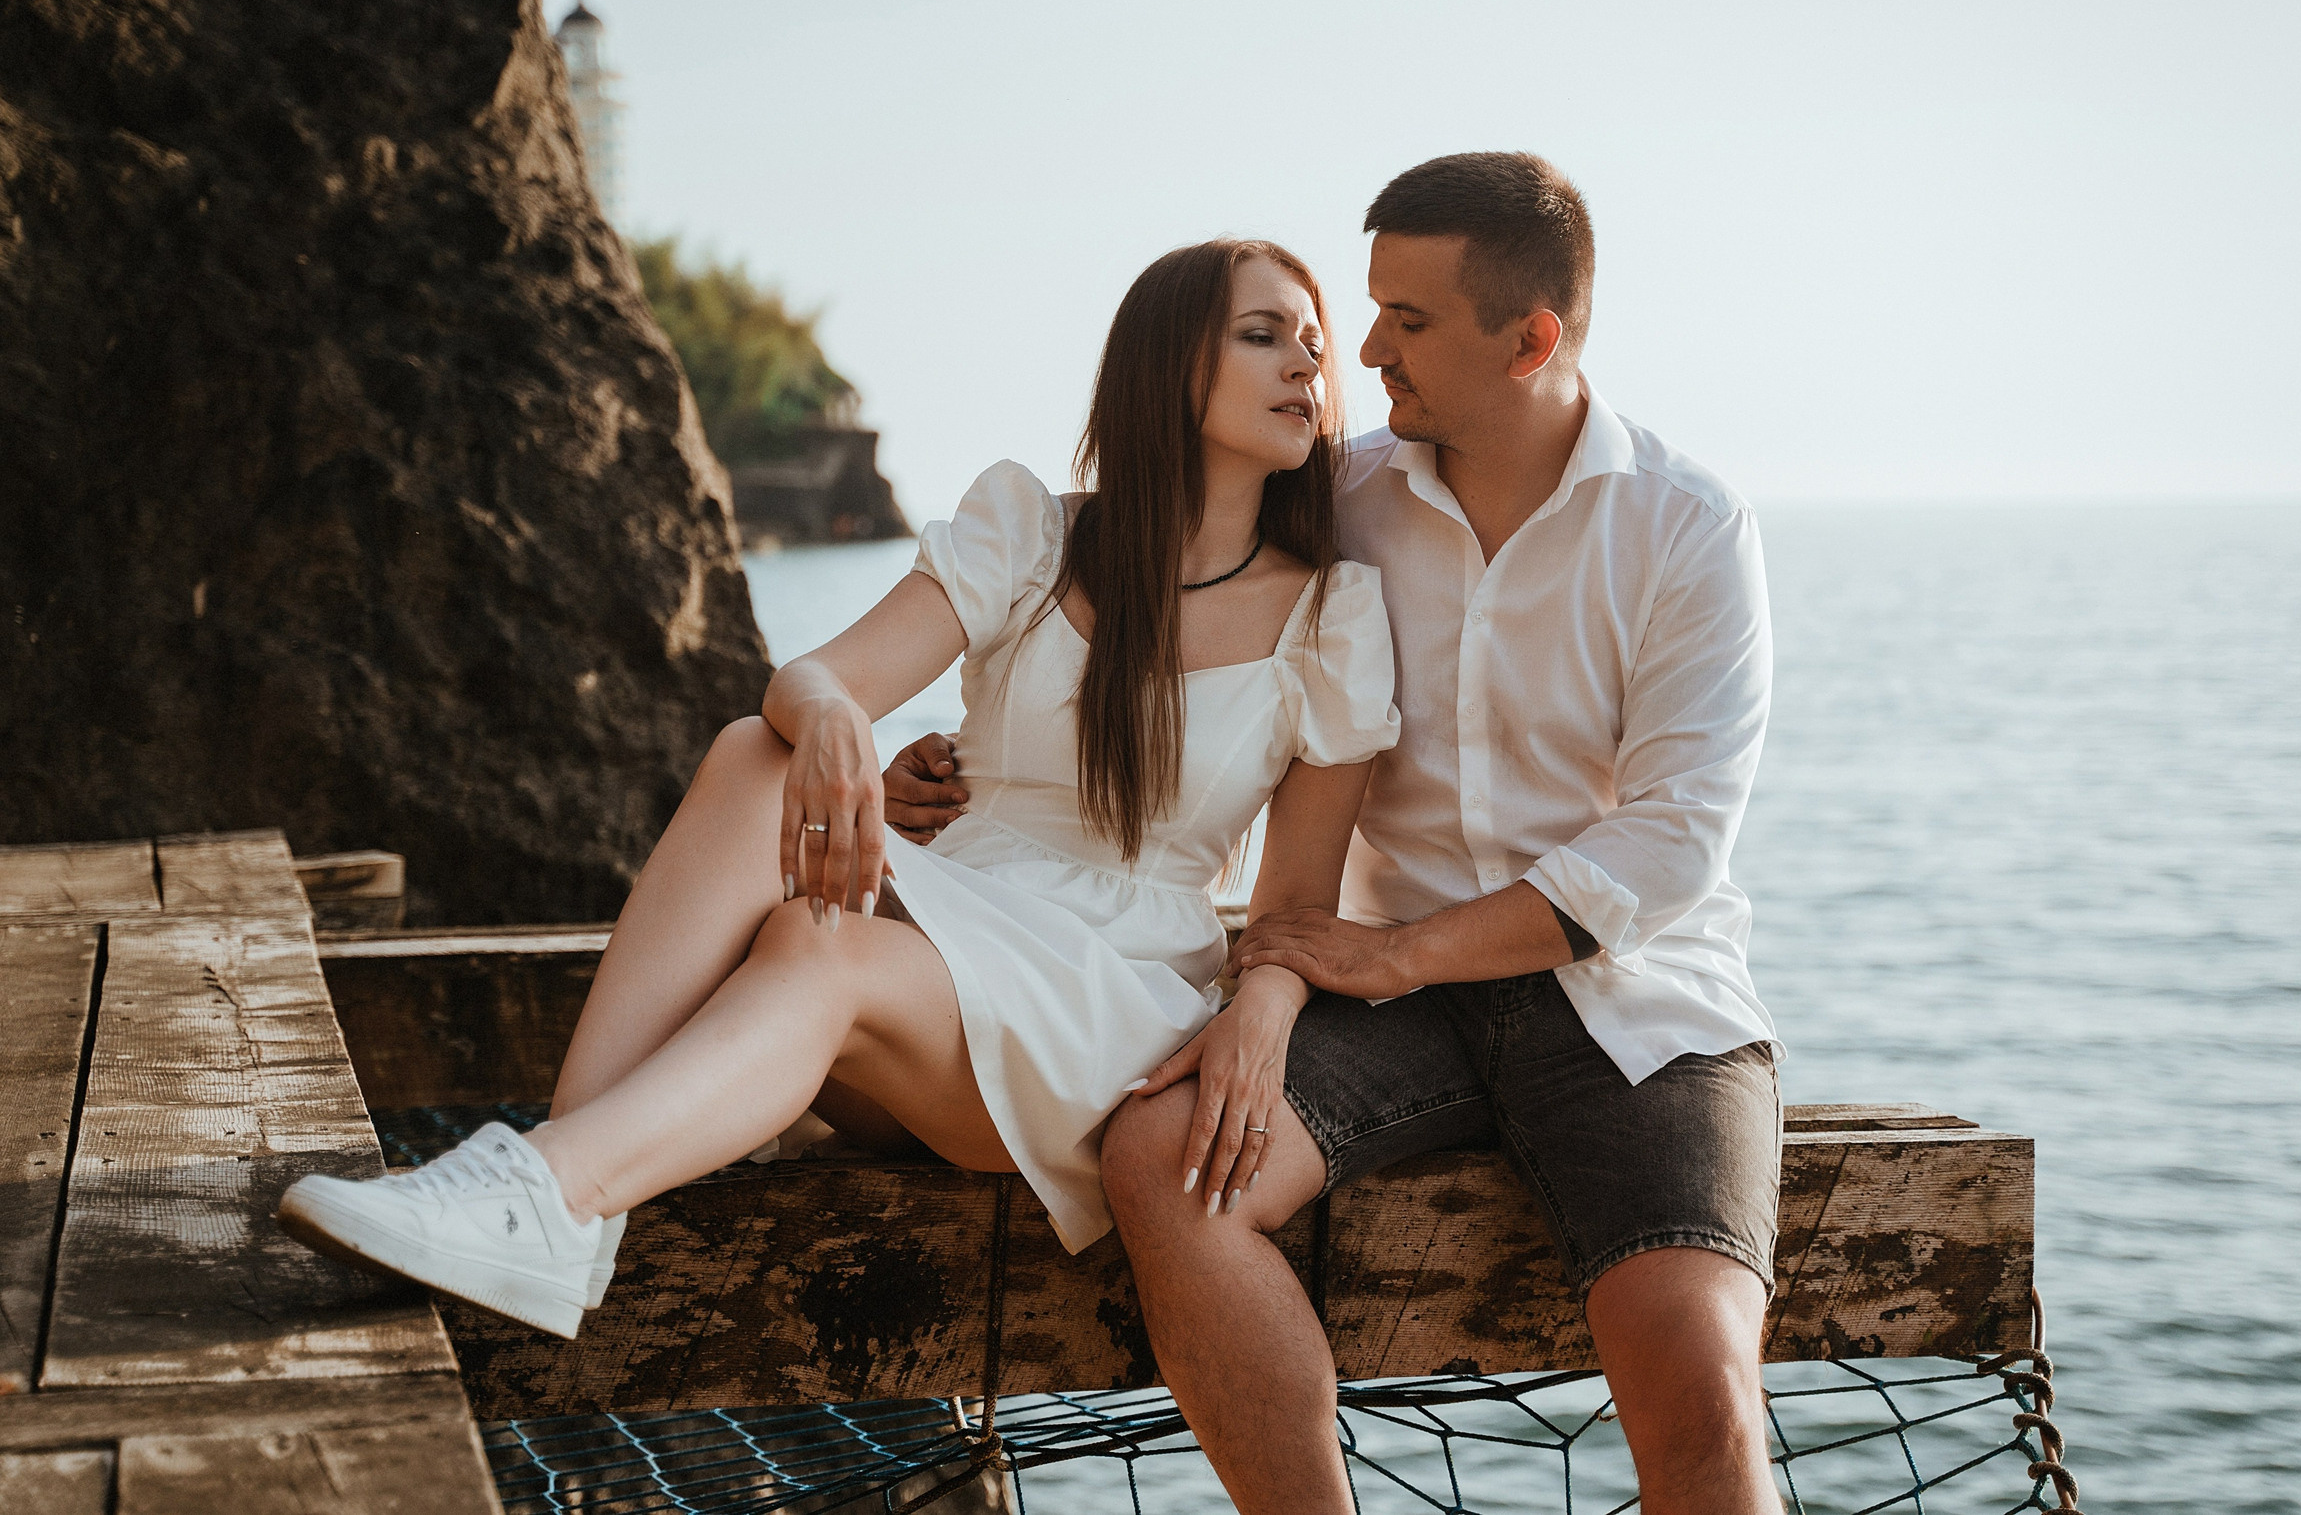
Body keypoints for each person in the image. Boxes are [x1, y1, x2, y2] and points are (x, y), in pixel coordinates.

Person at [275, 238, 1400, 1339]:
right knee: (750, 751)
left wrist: (1266, 1014)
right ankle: (559, 1187)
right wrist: (834, 731)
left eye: (1312, 343)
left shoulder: (1330, 616)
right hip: (950, 921)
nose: (1308, 363)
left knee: (818, 942)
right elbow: (816, 678)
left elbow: (1296, 911)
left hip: (1104, 992)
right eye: (1264, 336)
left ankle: (546, 1191)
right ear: (1166, 365)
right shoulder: (1038, 533)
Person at [888, 153, 1782, 1514]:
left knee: (1706, 1401)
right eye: (1366, 312)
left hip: (1633, 1004)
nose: (1363, 352)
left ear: (1530, 339)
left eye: (1407, 321)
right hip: (1375, 998)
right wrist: (967, 763)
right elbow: (1134, 591)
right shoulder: (1332, 495)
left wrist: (1410, 950)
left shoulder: (1686, 526)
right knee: (1160, 1157)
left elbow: (1668, 848)